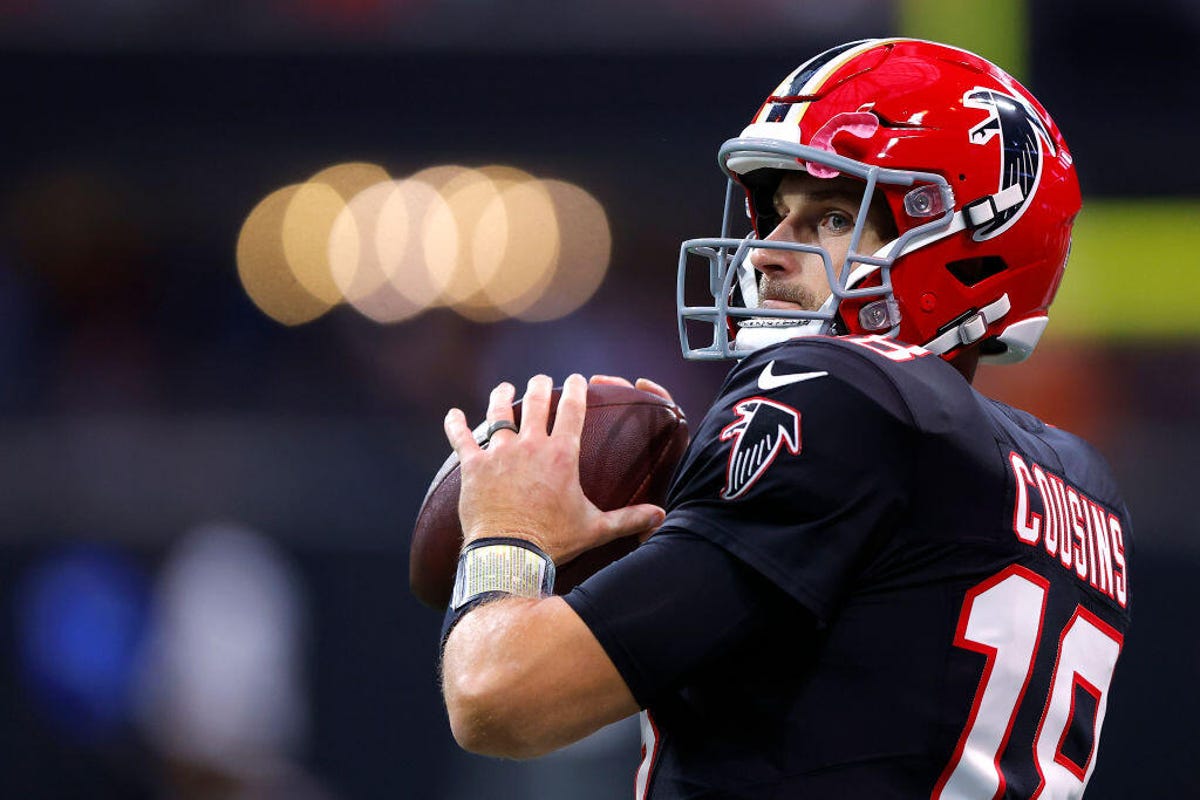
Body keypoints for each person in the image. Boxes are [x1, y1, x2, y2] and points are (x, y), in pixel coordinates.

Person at [438, 38, 1131, 798]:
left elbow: (498, 698)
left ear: (965, 243)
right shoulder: (1080, 482)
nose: (766, 251)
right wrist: (676, 545)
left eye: (833, 216)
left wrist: (506, 533)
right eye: (774, 212)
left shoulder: (839, 391)